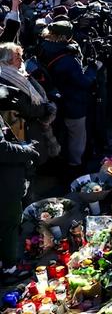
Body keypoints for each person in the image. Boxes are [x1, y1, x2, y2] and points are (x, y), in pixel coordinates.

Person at [37, 20, 97, 168]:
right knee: (77, 136)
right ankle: (75, 166)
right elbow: (83, 82)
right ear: (66, 36)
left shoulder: (42, 49)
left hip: (52, 101)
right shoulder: (67, 58)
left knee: (59, 134)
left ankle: (59, 162)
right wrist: (93, 69)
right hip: (73, 102)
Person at [0, 43, 58, 168]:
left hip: (33, 122)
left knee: (39, 154)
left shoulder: (19, 73)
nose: (21, 60)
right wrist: (45, 110)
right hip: (20, 126)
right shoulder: (4, 78)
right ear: (6, 61)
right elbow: (22, 105)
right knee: (31, 159)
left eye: (21, 56)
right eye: (17, 58)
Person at [0, 101, 38, 282]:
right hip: (4, 184)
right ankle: (10, 268)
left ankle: (6, 262)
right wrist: (26, 150)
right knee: (9, 222)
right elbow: (2, 149)